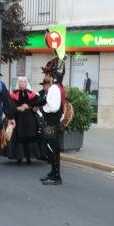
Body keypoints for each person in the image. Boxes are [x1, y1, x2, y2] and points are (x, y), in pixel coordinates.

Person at [40, 57, 65, 185]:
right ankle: (53, 173)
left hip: (51, 121)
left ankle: (56, 177)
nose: (45, 78)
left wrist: (44, 108)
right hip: (52, 121)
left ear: (50, 75)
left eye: (46, 75)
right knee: (52, 147)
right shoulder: (57, 86)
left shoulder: (54, 88)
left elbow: (54, 107)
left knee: (52, 147)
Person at [7, 76, 40, 164]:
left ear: (26, 83)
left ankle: (29, 157)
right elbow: (9, 105)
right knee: (19, 135)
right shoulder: (13, 94)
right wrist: (17, 108)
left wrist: (28, 106)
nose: (22, 83)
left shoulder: (31, 93)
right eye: (21, 82)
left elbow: (38, 102)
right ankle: (19, 157)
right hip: (18, 118)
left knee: (29, 135)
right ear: (18, 83)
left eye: (24, 82)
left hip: (29, 119)